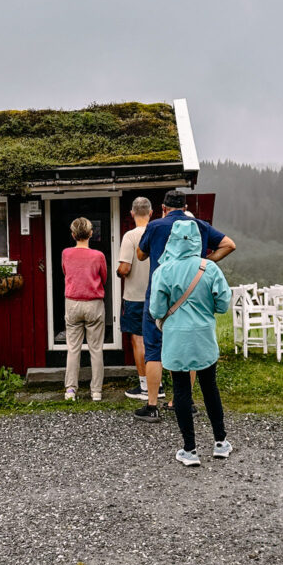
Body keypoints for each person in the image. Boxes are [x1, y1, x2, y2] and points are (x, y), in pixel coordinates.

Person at [134, 188, 236, 422]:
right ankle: (182, 401)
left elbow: (140, 255)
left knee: (153, 350)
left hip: (160, 294)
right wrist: (205, 262)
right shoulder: (199, 226)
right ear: (186, 208)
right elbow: (229, 244)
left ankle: (152, 406)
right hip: (193, 296)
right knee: (189, 347)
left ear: (163, 208)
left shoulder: (155, 226)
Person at [149, 218, 232, 465]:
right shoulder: (209, 268)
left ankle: (190, 450)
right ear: (197, 240)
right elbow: (223, 304)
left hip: (176, 338)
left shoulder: (163, 270)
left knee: (182, 390)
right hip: (204, 336)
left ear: (171, 241)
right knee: (210, 387)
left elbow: (156, 309)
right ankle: (220, 443)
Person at [62, 216, 108, 402]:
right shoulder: (98, 256)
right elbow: (103, 278)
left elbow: (65, 272)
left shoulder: (66, 253)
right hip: (94, 303)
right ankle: (96, 391)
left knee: (73, 348)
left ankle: (71, 390)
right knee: (96, 349)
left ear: (73, 234)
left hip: (72, 302)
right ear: (91, 233)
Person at [117, 196, 153, 399]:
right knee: (156, 339)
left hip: (135, 296)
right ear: (151, 212)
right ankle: (158, 384)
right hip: (157, 295)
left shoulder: (130, 237)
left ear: (132, 214)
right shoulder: (157, 233)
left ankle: (144, 387)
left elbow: (125, 267)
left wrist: (117, 271)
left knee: (138, 340)